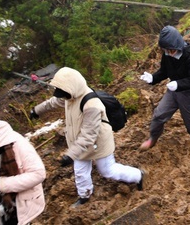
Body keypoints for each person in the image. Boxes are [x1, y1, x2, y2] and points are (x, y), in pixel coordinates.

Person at [31, 67, 144, 208]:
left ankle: (138, 175)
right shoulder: (69, 96)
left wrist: (71, 155)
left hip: (98, 142)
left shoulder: (91, 104)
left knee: (108, 171)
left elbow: (89, 134)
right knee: (80, 172)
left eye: (62, 93)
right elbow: (53, 102)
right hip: (79, 143)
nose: (60, 96)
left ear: (70, 89)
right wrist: (36, 110)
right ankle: (85, 195)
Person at [138, 25, 190, 159]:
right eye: (166, 50)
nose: (169, 53)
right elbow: (164, 71)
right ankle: (152, 138)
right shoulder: (167, 55)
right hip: (173, 91)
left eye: (171, 50)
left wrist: (179, 84)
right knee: (159, 114)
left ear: (178, 46)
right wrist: (153, 78)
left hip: (189, 92)